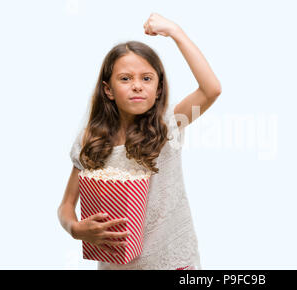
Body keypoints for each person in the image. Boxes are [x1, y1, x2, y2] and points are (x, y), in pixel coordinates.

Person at [57, 12, 222, 270]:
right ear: (108, 90)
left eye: (146, 78)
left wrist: (175, 32)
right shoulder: (91, 140)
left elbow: (211, 90)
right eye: (125, 78)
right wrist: (76, 229)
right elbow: (67, 205)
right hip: (118, 265)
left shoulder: (169, 127)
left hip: (173, 261)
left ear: (158, 90)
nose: (137, 86)